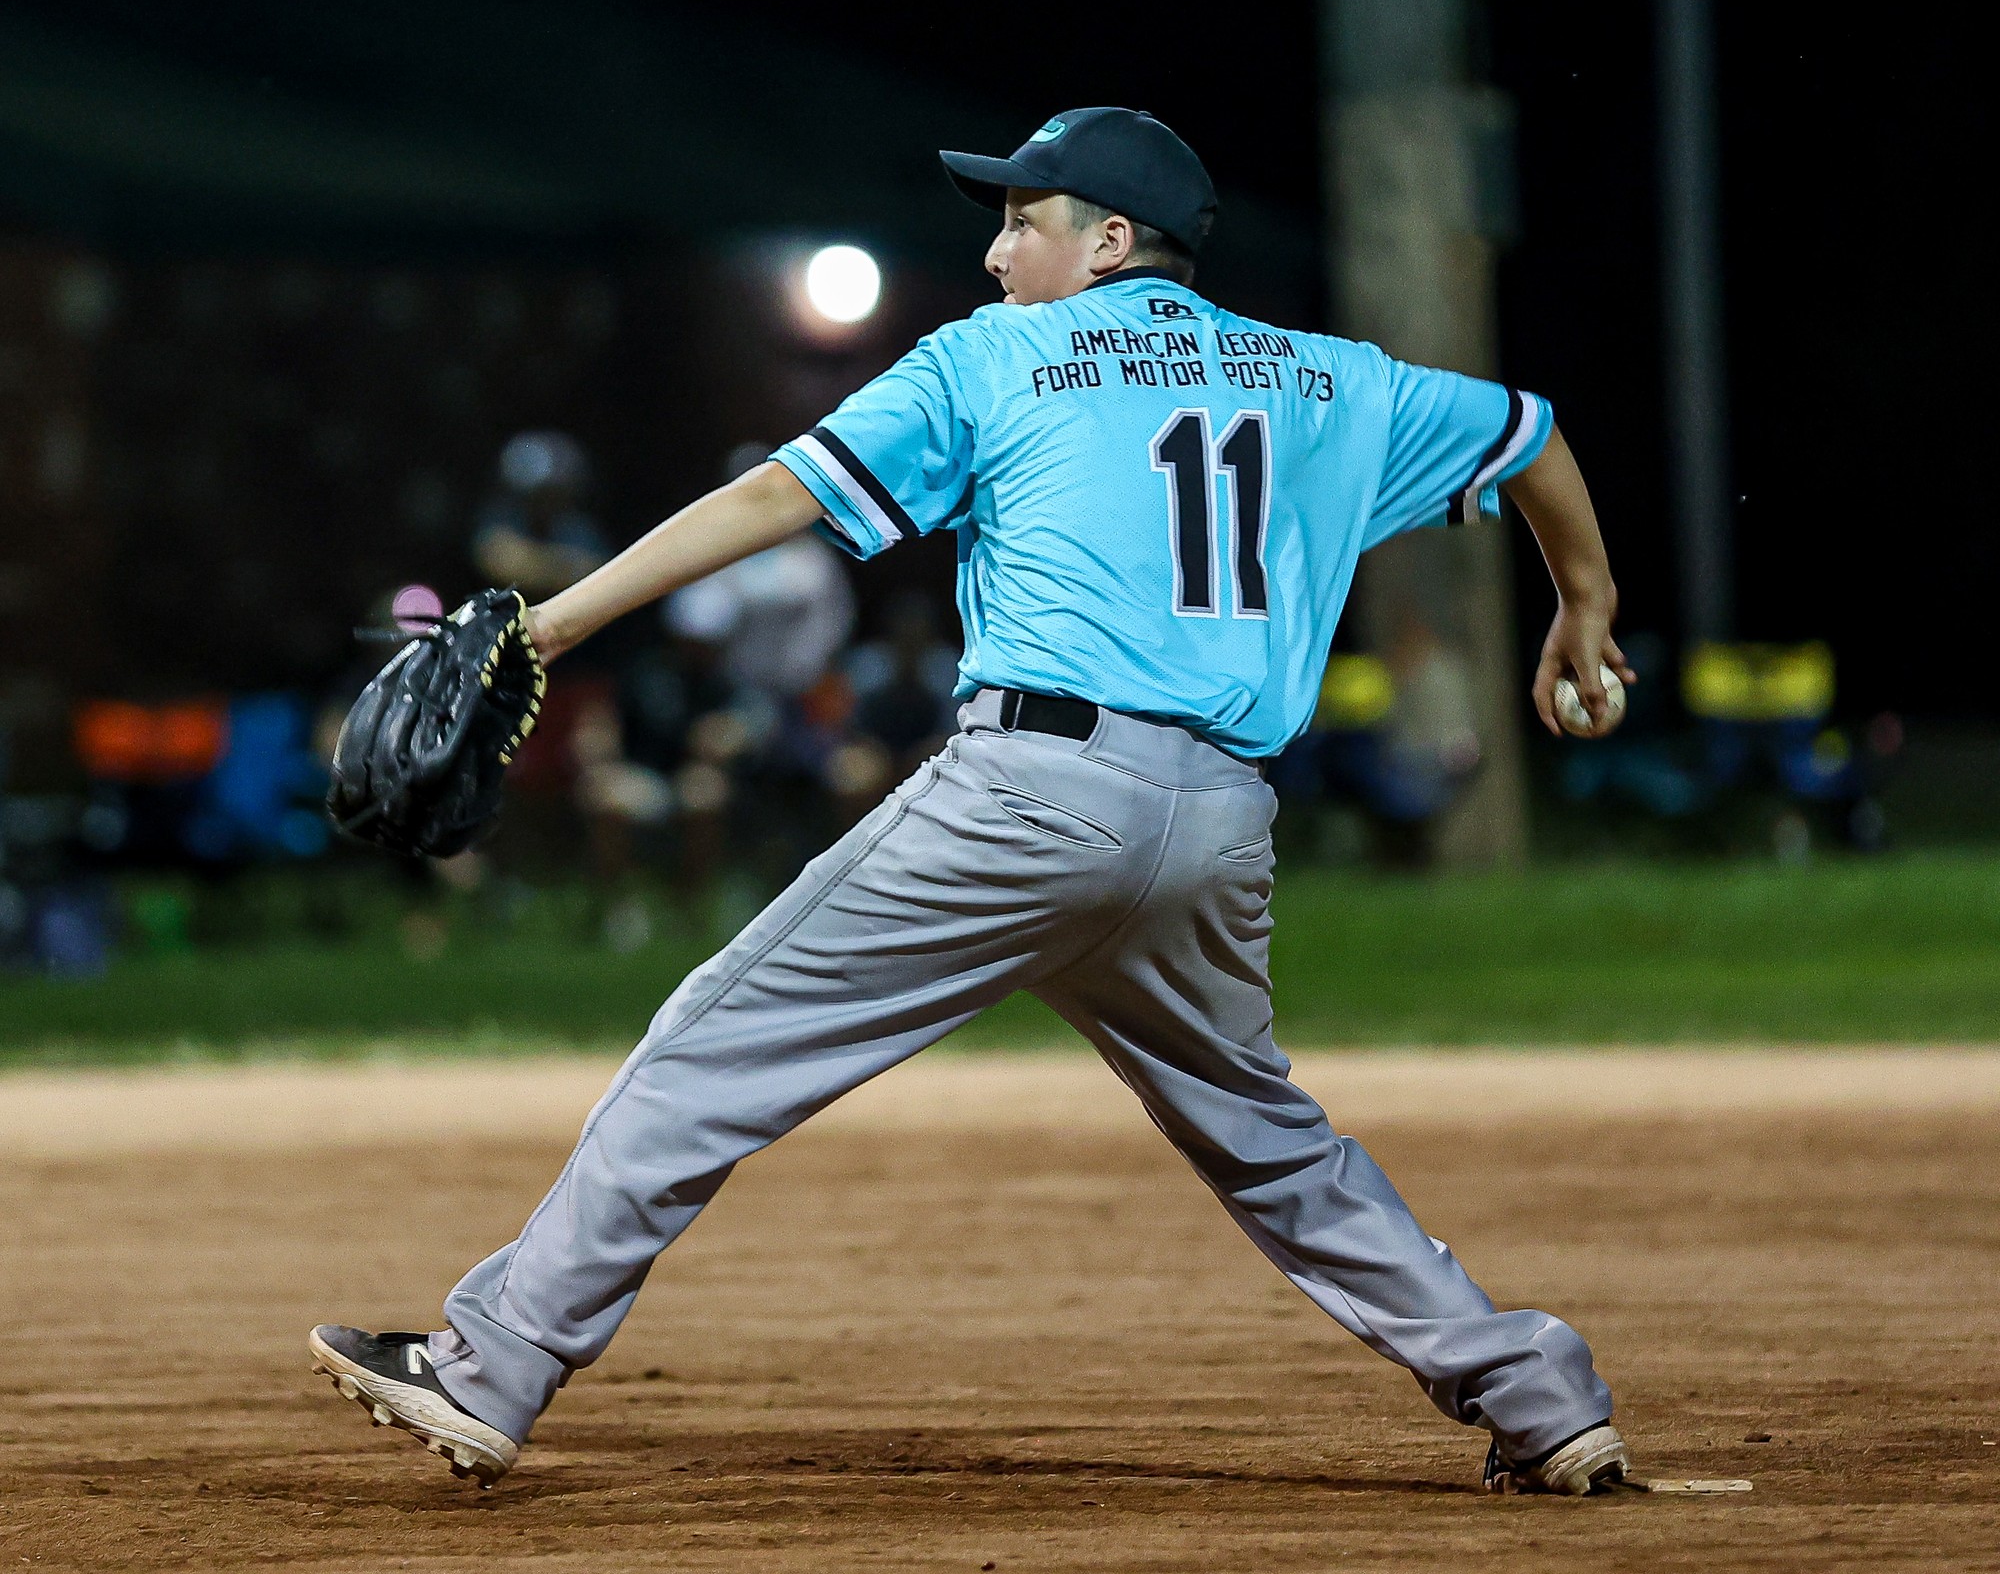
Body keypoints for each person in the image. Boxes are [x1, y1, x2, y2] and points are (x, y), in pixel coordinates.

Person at [309, 106, 1639, 1498]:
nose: (998, 253)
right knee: (1270, 1146)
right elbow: (1529, 434)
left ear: (1110, 241)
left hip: (1030, 800)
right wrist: (1586, 604)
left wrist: (549, 628)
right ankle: (1539, 1396)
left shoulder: (996, 356)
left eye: (1022, 220)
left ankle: (494, 1364)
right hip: (1218, 826)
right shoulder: (1324, 378)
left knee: (709, 1053)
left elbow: (775, 497)